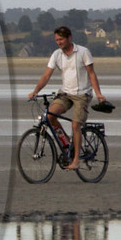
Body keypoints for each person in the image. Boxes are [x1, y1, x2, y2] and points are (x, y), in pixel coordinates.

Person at [28, 26, 107, 169]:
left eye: (61, 39)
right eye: (57, 40)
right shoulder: (57, 55)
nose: (59, 42)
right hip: (65, 93)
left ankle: (76, 160)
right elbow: (47, 75)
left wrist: (99, 94)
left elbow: (91, 74)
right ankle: (67, 143)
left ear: (69, 38)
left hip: (82, 95)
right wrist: (35, 91)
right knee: (50, 116)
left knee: (76, 125)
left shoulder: (83, 52)